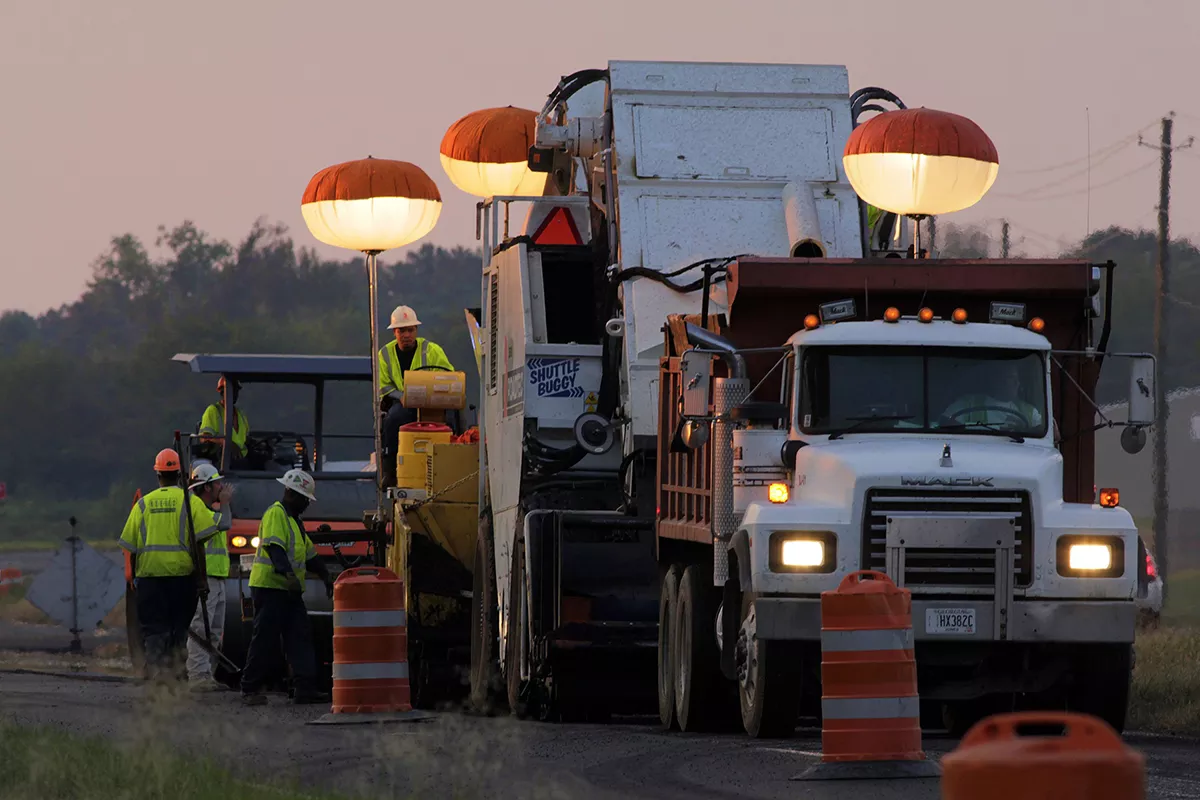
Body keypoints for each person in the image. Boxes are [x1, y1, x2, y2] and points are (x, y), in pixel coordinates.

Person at [118, 449, 223, 683]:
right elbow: (199, 546)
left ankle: (157, 674)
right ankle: (175, 675)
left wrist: (134, 578)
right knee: (179, 629)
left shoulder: (143, 505)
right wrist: (202, 579)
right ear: (179, 474)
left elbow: (131, 547)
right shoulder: (190, 503)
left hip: (149, 579)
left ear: (158, 474)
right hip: (181, 579)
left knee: (154, 630)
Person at [240, 468, 334, 706]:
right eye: (306, 500)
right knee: (265, 638)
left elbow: (310, 555)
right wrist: (289, 575)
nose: (307, 505)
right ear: (295, 495)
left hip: (289, 591)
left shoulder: (295, 522)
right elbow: (274, 549)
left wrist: (326, 575)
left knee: (300, 637)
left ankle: (305, 688)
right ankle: (249, 688)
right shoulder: (276, 514)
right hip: (270, 588)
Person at [378, 305, 454, 486]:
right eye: (401, 330)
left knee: (450, 421)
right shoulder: (385, 354)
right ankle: (391, 473)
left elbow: (449, 376)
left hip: (434, 404)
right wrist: (400, 396)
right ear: (394, 332)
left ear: (416, 330)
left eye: (410, 330)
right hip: (403, 404)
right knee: (392, 420)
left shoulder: (433, 350)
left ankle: (451, 465)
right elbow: (384, 386)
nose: (406, 335)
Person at [185, 462, 234, 692]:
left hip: (217, 577)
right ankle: (198, 676)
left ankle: (207, 675)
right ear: (206, 487)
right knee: (201, 628)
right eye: (216, 483)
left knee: (213, 630)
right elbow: (225, 523)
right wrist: (225, 503)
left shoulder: (205, 509)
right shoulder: (198, 508)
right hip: (207, 579)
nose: (221, 487)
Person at [939, 359, 1043, 431]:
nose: (1017, 383)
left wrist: (1024, 430)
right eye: (1011, 378)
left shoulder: (1028, 411)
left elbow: (1047, 433)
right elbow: (945, 422)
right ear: (996, 380)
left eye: (1017, 379)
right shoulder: (968, 404)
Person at [198, 376, 250, 466]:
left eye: (236, 391)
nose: (235, 394)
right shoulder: (213, 411)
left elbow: (247, 438)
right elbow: (204, 438)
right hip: (223, 462)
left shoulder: (241, 414)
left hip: (242, 459)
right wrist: (226, 443)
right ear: (222, 392)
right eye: (232, 390)